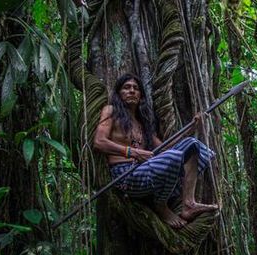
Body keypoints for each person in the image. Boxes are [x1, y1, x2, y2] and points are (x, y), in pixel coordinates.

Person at [93, 73, 219, 228]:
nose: (132, 91)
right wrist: (131, 152)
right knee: (174, 157)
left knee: (192, 144)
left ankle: (189, 203)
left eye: (136, 88)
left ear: (140, 95)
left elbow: (165, 148)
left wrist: (192, 128)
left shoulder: (142, 123)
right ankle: (161, 205)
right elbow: (99, 142)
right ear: (119, 93)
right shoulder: (111, 110)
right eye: (126, 87)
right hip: (125, 176)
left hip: (147, 172)